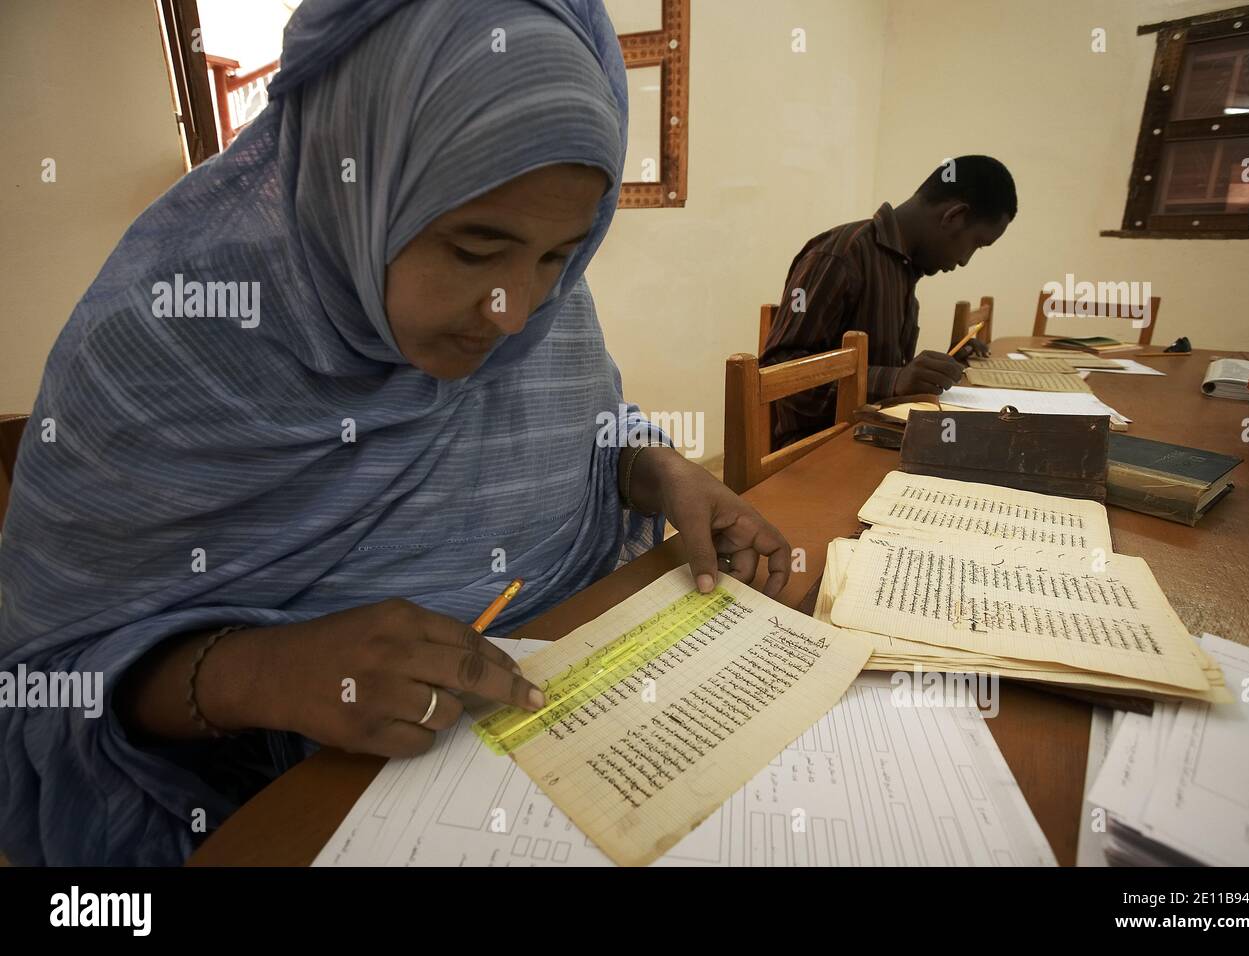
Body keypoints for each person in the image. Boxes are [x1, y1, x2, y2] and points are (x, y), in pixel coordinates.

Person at [0, 0, 790, 865]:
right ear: (356, 174)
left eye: (559, 254)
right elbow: (48, 676)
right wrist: (266, 670)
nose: (515, 311)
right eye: (472, 248)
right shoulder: (157, 343)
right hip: (295, 805)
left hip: (573, 708)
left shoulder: (541, 308)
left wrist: (660, 470)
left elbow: (590, 428)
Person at [762, 155, 1017, 449]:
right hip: (817, 450)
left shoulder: (904, 270)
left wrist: (942, 367)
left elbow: (885, 375)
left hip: (872, 434)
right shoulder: (841, 256)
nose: (964, 260)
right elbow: (776, 372)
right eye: (976, 243)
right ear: (954, 216)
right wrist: (892, 381)